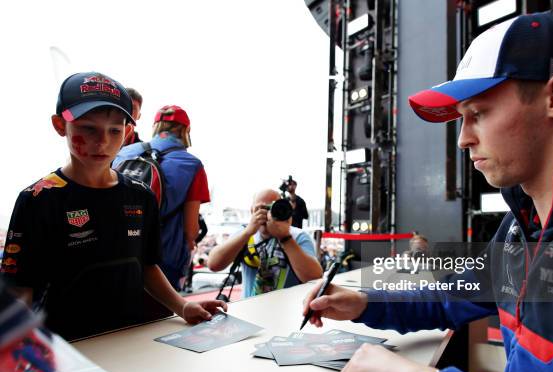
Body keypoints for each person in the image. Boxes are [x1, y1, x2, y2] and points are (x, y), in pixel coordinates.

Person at [304, 12, 553, 372]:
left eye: (478, 114)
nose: (464, 139)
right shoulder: (521, 227)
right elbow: (450, 295)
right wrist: (365, 301)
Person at [0, 72, 226, 341]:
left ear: (128, 132)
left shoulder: (140, 195)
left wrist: (183, 306)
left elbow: (147, 267)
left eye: (115, 130)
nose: (103, 141)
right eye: (88, 128)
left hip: (130, 338)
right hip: (65, 346)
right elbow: (20, 288)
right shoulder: (38, 198)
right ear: (60, 125)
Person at [114, 105, 211, 290]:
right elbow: (191, 229)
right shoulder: (192, 164)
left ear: (156, 126)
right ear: (186, 130)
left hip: (120, 251)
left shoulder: (123, 153)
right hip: (165, 258)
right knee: (161, 316)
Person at [208, 189, 322, 297]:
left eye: (272, 208)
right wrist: (247, 233)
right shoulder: (244, 234)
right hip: (249, 308)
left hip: (288, 312)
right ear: (252, 210)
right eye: (262, 208)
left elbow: (314, 277)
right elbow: (214, 264)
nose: (268, 214)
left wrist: (285, 237)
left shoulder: (298, 236)